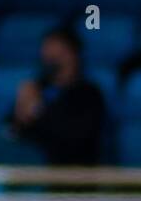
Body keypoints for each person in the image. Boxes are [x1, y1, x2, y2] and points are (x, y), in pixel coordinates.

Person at [9, 27, 106, 165]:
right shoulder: (36, 88)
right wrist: (20, 112)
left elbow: (75, 138)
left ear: (74, 55)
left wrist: (37, 111)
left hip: (70, 169)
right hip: (27, 163)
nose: (52, 61)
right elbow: (11, 130)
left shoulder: (89, 93)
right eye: (48, 56)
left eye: (59, 54)